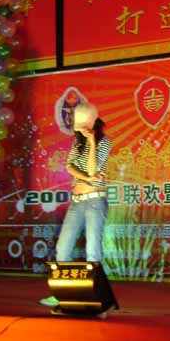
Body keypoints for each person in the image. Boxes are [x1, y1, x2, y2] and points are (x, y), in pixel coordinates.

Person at [40, 102, 111, 307]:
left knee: (93, 250)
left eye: (81, 124)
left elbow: (93, 169)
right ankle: (62, 293)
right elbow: (70, 167)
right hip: (77, 202)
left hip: (95, 201)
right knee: (63, 247)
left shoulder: (104, 142)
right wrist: (87, 179)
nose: (77, 128)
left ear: (92, 122)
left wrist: (91, 143)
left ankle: (97, 297)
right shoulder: (76, 142)